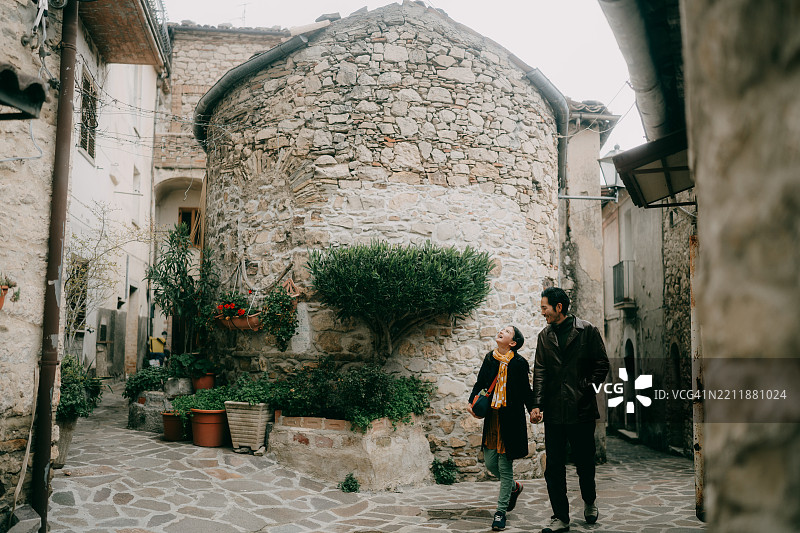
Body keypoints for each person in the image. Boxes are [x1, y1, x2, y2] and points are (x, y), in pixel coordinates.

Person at [530, 287, 610, 533]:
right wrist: (537, 404)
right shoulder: (545, 336)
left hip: (582, 409)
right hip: (554, 412)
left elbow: (602, 364)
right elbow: (540, 371)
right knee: (553, 466)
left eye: (545, 308)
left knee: (585, 462)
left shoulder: (587, 331)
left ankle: (589, 500)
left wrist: (586, 387)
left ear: (559, 308)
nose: (542, 312)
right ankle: (560, 517)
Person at [468, 325, 535, 531]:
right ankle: (514, 487)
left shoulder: (519, 363)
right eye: (502, 330)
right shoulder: (490, 358)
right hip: (492, 418)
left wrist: (533, 409)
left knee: (505, 468)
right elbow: (480, 382)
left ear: (513, 342)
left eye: (507, 331)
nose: (501, 332)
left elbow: (525, 390)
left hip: (511, 420)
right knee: (490, 463)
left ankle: (500, 512)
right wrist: (472, 402)